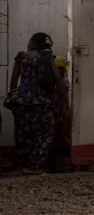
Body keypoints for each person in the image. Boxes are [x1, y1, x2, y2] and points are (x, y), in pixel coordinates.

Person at [6, 33, 65, 173]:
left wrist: (13, 98)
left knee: (23, 134)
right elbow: (58, 78)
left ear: (33, 42)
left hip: (22, 101)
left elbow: (14, 81)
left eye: (30, 39)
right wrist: (65, 99)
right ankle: (33, 165)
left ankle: (24, 164)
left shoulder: (21, 57)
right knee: (45, 133)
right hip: (42, 101)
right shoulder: (46, 56)